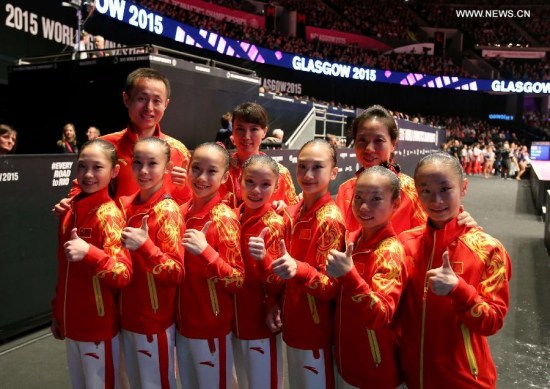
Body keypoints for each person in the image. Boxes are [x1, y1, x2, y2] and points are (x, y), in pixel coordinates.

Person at [398, 152, 512, 389]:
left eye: (445, 189)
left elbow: (492, 321)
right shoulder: (404, 243)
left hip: (466, 380)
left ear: (464, 188)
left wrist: (459, 290)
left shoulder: (489, 249)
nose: (436, 200)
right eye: (426, 191)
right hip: (412, 375)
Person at [53, 67, 191, 215]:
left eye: (157, 101)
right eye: (141, 99)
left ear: (166, 104)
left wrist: (185, 188)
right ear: (126, 99)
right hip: (113, 234)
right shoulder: (103, 147)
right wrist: (70, 203)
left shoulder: (178, 151)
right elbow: (81, 188)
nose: (149, 108)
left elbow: (189, 204)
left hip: (158, 236)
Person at [51, 139, 132, 388]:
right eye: (82, 166)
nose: (88, 174)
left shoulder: (109, 215)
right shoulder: (70, 210)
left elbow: (122, 273)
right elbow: (64, 272)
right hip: (73, 324)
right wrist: (57, 312)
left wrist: (89, 253)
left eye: (97, 167)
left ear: (114, 171)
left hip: (98, 328)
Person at [269, 139, 345, 389]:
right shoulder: (294, 211)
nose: (308, 175)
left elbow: (331, 287)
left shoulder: (330, 220)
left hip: (315, 333)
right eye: (302, 167)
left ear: (334, 172)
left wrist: (298, 269)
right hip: (294, 325)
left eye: (317, 167)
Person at [326, 166, 406, 389]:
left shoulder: (389, 252)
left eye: (376, 199)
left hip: (375, 370)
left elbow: (381, 314)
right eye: (358, 197)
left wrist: (349, 277)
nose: (363, 207)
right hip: (347, 362)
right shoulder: (352, 239)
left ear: (395, 204)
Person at [176, 142, 245, 389]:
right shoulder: (180, 212)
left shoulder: (224, 218)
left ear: (225, 176)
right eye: (196, 168)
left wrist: (206, 252)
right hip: (182, 327)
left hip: (211, 328)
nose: (202, 177)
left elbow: (237, 279)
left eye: (211, 171)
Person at [119, 137, 185, 388]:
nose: (144, 171)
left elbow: (176, 273)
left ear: (167, 168)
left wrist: (146, 247)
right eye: (138, 163)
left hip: (154, 322)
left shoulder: (167, 211)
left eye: (152, 164)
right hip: (126, 319)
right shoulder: (124, 205)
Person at [233, 154, 286, 389]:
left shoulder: (275, 223)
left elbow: (278, 282)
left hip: (260, 321)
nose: (256, 190)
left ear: (276, 187)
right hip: (231, 319)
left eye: (265, 185)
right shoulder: (230, 217)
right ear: (239, 182)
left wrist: (263, 259)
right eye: (250, 182)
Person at [218, 102, 298, 209]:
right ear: (233, 131)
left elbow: (292, 213)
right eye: (240, 129)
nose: (246, 136)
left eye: (254, 129)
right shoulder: (218, 169)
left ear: (264, 132)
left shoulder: (280, 174)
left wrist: (284, 209)